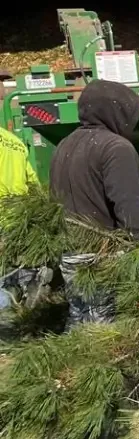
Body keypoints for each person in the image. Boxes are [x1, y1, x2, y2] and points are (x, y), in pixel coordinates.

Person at [50, 80, 139, 327]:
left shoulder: (64, 145)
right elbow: (128, 205)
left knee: (81, 319)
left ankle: (77, 362)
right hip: (103, 255)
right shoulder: (116, 148)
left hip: (70, 252)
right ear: (116, 113)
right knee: (109, 329)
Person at [0, 125, 48, 312]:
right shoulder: (16, 142)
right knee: (14, 266)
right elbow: (32, 182)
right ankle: (25, 306)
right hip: (18, 216)